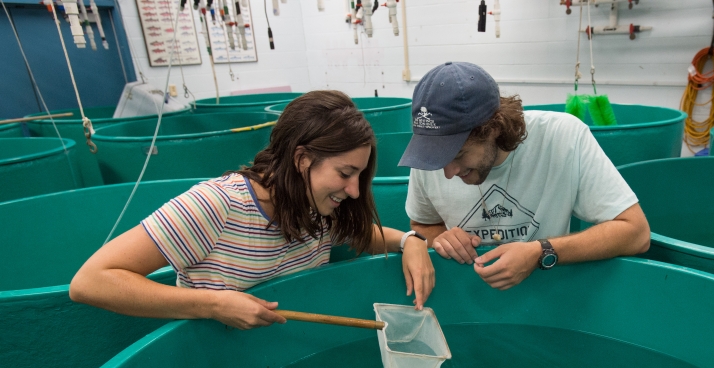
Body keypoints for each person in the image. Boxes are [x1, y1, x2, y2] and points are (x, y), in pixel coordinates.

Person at [70, 90, 434, 329]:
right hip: (213, 367)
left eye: (359, 176)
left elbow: (360, 235)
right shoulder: (219, 204)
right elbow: (90, 282)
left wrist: (409, 241)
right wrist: (212, 305)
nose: (354, 191)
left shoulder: (315, 209)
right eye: (345, 173)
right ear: (303, 159)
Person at [399, 62, 651, 290]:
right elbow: (423, 224)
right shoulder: (429, 162)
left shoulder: (563, 138)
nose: (447, 172)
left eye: (459, 154)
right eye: (436, 158)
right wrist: (440, 238)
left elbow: (636, 233)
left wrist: (540, 252)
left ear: (493, 129)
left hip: (546, 297)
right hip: (471, 298)